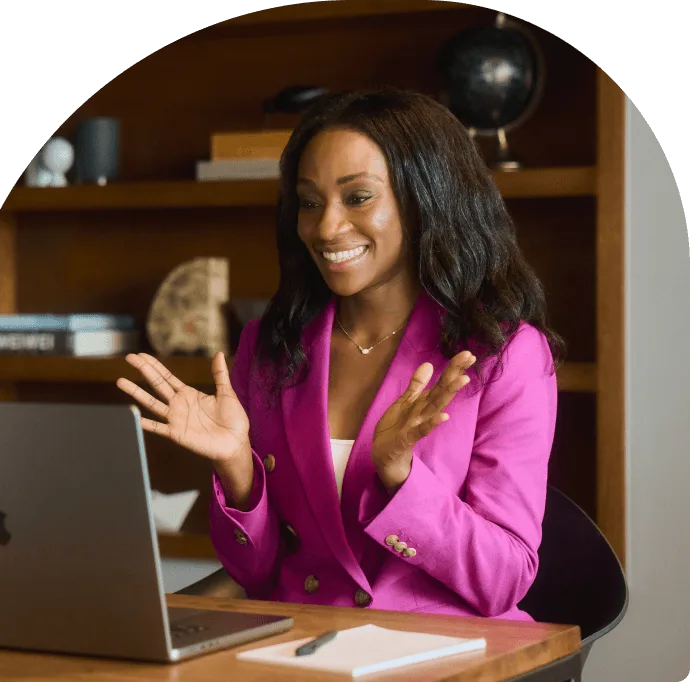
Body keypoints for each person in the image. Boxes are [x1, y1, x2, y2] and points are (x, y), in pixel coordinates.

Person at [116, 88, 566, 621]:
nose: (326, 228)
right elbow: (258, 574)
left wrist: (400, 474)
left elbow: (503, 579)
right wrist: (236, 467)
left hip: (439, 654)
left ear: (426, 198)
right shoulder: (270, 345)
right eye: (309, 202)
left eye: (357, 198)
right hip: (299, 648)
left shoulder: (504, 355)